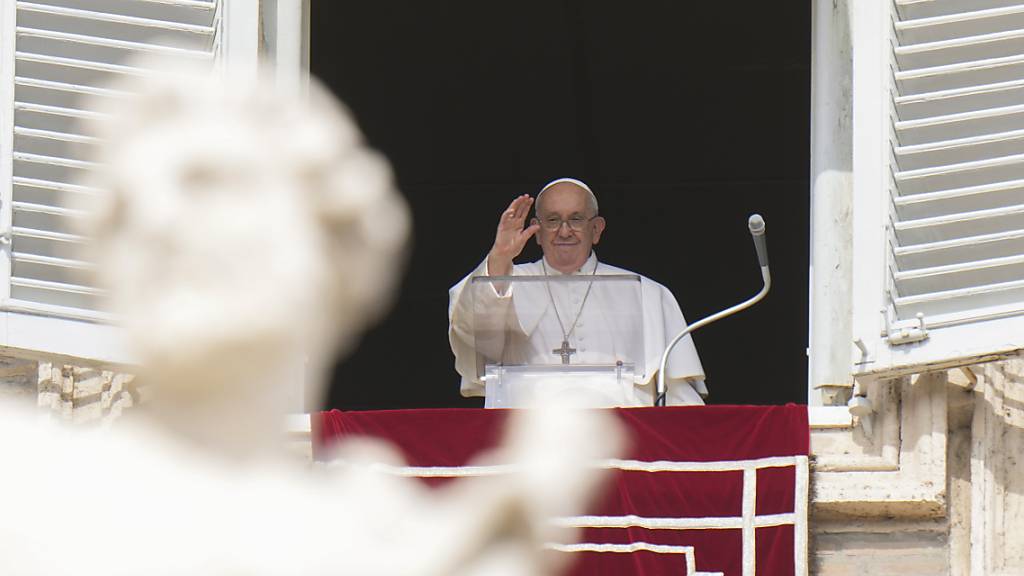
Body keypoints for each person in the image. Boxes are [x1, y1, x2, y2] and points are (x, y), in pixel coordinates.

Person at [448, 177, 706, 406]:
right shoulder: (503, 282)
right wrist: (501, 256)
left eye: (576, 219)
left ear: (596, 229)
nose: (564, 230)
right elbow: (474, 334)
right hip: (527, 439)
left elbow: (679, 395)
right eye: (552, 220)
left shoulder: (646, 293)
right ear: (537, 231)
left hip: (624, 440)